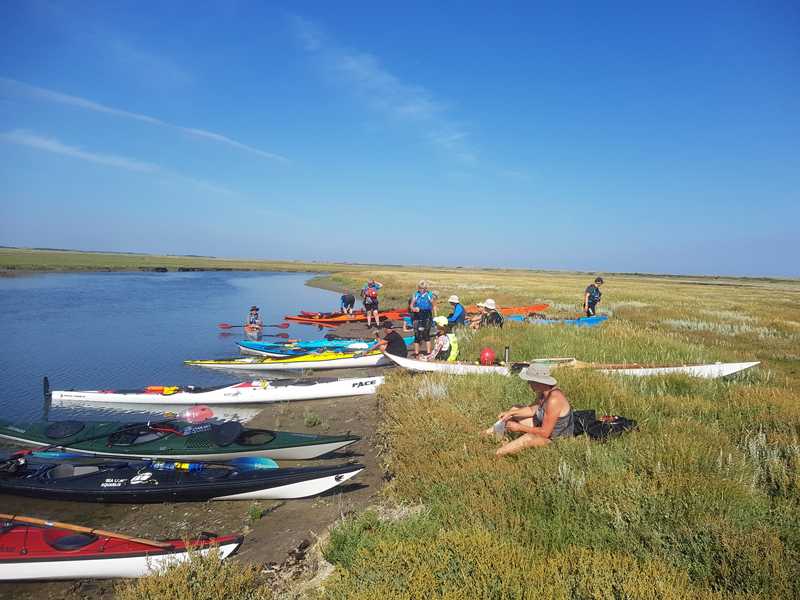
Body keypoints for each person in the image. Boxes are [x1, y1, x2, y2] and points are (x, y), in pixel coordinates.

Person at [483, 363, 574, 456]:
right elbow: (531, 410)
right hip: (542, 426)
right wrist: (510, 413)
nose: (528, 383)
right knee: (515, 409)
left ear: (540, 382)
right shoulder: (545, 391)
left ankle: (495, 454)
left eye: (530, 380)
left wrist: (519, 427)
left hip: (553, 438)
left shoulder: (554, 400)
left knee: (529, 437)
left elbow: (545, 433)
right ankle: (487, 435)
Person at [410, 280, 436, 356]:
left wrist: (436, 317)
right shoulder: (415, 294)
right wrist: (413, 309)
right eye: (420, 288)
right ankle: (416, 353)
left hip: (426, 316)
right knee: (417, 335)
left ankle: (428, 353)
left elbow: (433, 306)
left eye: (423, 288)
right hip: (417, 315)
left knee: (426, 334)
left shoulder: (430, 295)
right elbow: (411, 305)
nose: (421, 290)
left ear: (425, 288)